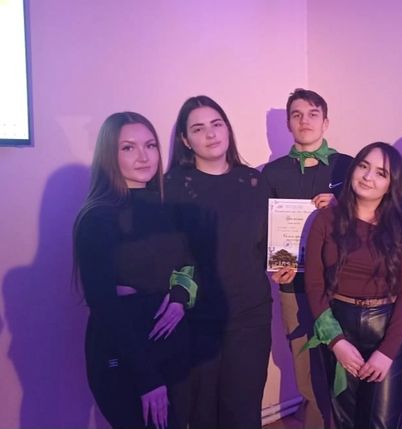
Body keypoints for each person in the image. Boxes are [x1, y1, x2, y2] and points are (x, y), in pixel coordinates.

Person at [73, 112, 196, 429]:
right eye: (128, 147)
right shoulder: (97, 217)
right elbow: (104, 305)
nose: (143, 156)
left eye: (150, 145)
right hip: (126, 355)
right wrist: (146, 378)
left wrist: (179, 297)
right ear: (109, 155)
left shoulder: (166, 206)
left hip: (171, 348)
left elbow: (188, 263)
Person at [165, 95, 272, 429]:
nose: (211, 134)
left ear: (227, 129)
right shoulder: (171, 187)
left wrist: (282, 266)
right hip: (196, 318)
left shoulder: (254, 181)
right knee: (201, 414)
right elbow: (168, 255)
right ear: (185, 140)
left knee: (243, 411)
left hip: (250, 314)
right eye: (198, 128)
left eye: (217, 124)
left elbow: (266, 246)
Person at [304, 142, 402, 429]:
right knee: (345, 419)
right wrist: (336, 342)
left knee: (381, 421)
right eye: (363, 166)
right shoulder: (326, 219)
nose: (368, 177)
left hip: (386, 327)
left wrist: (387, 352)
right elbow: (314, 283)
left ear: (391, 184)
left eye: (381, 173)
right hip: (337, 323)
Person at [262, 88, 353, 428]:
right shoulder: (272, 173)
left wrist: (341, 207)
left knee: (344, 366)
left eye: (313, 114)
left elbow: (371, 220)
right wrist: (276, 266)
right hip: (294, 286)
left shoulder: (349, 167)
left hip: (343, 286)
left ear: (326, 122)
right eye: (297, 115)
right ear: (288, 123)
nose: (305, 121)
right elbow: (264, 230)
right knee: (305, 369)